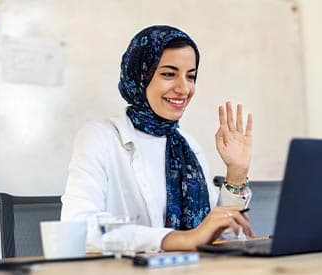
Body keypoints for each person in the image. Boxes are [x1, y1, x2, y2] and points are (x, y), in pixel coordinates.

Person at [61, 25, 254, 252]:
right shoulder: (99, 137)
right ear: (140, 76)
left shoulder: (188, 146)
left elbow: (217, 234)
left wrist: (237, 172)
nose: (184, 88)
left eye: (190, 76)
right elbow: (79, 228)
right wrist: (181, 240)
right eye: (169, 74)